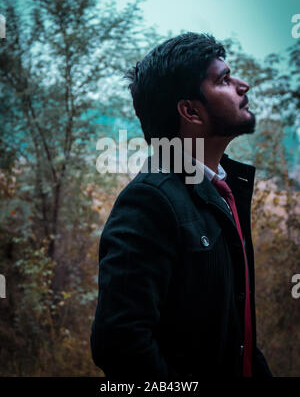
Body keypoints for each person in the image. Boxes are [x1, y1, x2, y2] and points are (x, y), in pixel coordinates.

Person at [90, 32, 272, 378]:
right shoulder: (150, 201)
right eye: (223, 79)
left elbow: (236, 333)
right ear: (190, 110)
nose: (242, 84)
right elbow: (119, 345)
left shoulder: (225, 188)